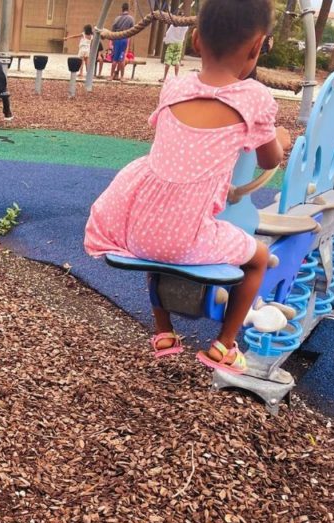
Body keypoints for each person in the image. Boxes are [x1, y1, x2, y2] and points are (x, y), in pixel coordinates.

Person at [83, 0, 291, 375]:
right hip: (189, 238)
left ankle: (164, 333)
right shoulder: (255, 98)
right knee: (258, 258)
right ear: (258, 46)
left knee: (158, 236)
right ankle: (223, 346)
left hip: (139, 232)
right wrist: (281, 138)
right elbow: (268, 160)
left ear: (196, 40)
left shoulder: (173, 87)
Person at [109, 3, 134, 81]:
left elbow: (113, 29)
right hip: (124, 39)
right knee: (122, 59)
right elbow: (132, 30)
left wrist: (112, 41)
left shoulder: (117, 18)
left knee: (115, 59)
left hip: (117, 38)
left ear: (122, 9)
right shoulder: (130, 19)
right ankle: (122, 77)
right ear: (128, 9)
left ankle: (111, 76)